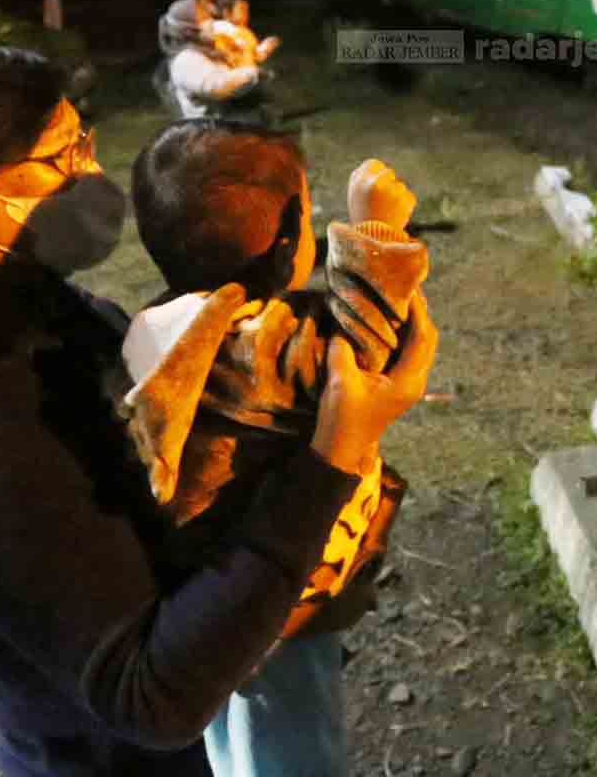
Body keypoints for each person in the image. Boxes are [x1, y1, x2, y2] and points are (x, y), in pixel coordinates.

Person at [0, 43, 436, 777]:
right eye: (55, 161)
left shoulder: (51, 312)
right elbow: (150, 699)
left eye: (83, 143)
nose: (91, 177)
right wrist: (335, 453)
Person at [122, 121, 429, 774]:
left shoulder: (160, 328)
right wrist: (378, 232)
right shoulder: (268, 345)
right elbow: (368, 340)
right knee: (292, 739)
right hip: (278, 599)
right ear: (290, 238)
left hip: (208, 581)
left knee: (234, 721)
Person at [158, 0, 261, 120]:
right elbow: (217, 87)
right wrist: (252, 72)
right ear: (189, 29)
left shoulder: (208, 50)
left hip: (232, 125)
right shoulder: (185, 60)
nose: (211, 22)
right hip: (213, 132)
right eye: (203, 18)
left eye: (208, 16)